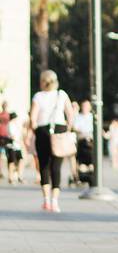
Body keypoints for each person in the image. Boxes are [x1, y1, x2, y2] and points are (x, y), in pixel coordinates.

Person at [29, 70, 75, 212]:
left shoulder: (38, 96)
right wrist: (68, 128)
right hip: (59, 129)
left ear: (42, 81)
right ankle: (55, 202)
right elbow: (70, 114)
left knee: (44, 165)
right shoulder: (62, 94)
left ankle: (46, 200)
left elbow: (33, 118)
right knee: (56, 166)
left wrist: (35, 130)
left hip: (43, 131)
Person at [74, 99, 94, 186]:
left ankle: (91, 177)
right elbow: (75, 127)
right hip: (82, 141)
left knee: (91, 161)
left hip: (91, 141)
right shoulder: (78, 117)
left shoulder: (92, 117)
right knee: (81, 162)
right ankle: (82, 177)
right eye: (84, 106)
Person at [5, 112, 24, 184]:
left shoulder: (16, 125)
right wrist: (19, 141)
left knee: (20, 160)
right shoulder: (10, 125)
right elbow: (12, 136)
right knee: (11, 162)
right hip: (12, 146)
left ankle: (19, 175)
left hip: (17, 146)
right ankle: (11, 177)